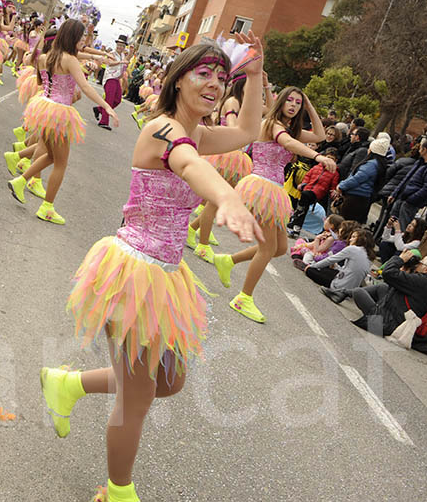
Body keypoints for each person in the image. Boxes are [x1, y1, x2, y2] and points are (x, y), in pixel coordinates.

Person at [40, 36, 265, 502]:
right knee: (137, 396)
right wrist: (226, 196)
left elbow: (247, 133)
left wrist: (256, 75)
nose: (214, 84)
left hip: (167, 272)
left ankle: (68, 384)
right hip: (132, 271)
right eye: (204, 73)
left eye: (222, 78)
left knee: (169, 381)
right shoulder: (163, 131)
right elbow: (186, 164)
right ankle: (118, 492)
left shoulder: (200, 134)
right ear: (180, 78)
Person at [214, 86, 335, 323]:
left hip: (274, 190)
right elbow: (289, 144)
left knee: (279, 248)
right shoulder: (273, 125)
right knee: (267, 249)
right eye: (289, 100)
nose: (293, 105)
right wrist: (318, 157)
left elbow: (320, 137)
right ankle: (243, 298)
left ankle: (227, 260)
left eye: (297, 103)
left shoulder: (290, 127)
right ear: (280, 102)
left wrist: (310, 106)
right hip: (262, 187)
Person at [7, 19, 122, 224]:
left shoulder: (45, 57)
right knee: (61, 163)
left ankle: (20, 180)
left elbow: (42, 82)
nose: (84, 41)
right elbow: (85, 87)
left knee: (51, 156)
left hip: (44, 107)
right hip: (59, 112)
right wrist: (106, 106)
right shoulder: (69, 60)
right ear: (73, 37)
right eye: (81, 37)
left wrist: (101, 55)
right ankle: (47, 207)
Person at [188, 71, 257, 260]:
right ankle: (202, 244)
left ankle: (193, 229)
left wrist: (265, 86)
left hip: (236, 154)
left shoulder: (243, 103)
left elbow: (270, 107)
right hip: (228, 154)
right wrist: (245, 133)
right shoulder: (233, 101)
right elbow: (234, 127)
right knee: (216, 201)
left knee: (218, 201)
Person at [334, 250, 427, 337]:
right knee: (382, 287)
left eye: (420, 263)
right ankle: (341, 293)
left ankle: (342, 293)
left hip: (386, 325)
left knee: (358, 292)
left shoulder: (421, 282)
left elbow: (388, 273)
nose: (417, 265)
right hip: (396, 317)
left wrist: (400, 259)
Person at [385, 139, 427, 229]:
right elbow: (406, 178)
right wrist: (395, 193)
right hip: (402, 197)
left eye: (421, 147)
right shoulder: (420, 162)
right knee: (391, 224)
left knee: (402, 227)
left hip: (410, 202)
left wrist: (411, 199)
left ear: (425, 149)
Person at [333, 137, 389, 223]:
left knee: (344, 223)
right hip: (363, 198)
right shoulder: (380, 164)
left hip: (354, 198)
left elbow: (357, 179)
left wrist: (341, 186)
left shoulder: (371, 165)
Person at [286, 148, 340, 237]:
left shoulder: (334, 173)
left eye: (332, 159)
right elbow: (307, 176)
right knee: (303, 206)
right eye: (328, 158)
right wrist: (303, 184)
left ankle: (295, 223)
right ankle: (296, 225)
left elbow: (332, 186)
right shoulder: (316, 167)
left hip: (317, 193)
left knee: (303, 202)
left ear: (335, 161)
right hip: (307, 189)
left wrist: (334, 194)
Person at [303, 227, 376, 290]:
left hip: (338, 286)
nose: (350, 239)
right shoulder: (369, 256)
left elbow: (330, 259)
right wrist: (336, 266)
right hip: (351, 290)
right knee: (326, 270)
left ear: (361, 239)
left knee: (310, 270)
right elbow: (349, 271)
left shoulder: (353, 249)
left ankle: (307, 266)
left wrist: (312, 266)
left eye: (353, 237)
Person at [93, 34, 128, 130]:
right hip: (110, 78)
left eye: (122, 45)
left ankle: (99, 109)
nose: (120, 47)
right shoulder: (112, 53)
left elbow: (124, 64)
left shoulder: (122, 55)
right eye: (119, 45)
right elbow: (110, 63)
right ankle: (103, 121)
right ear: (116, 45)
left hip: (117, 79)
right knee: (109, 100)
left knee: (117, 100)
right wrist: (121, 62)